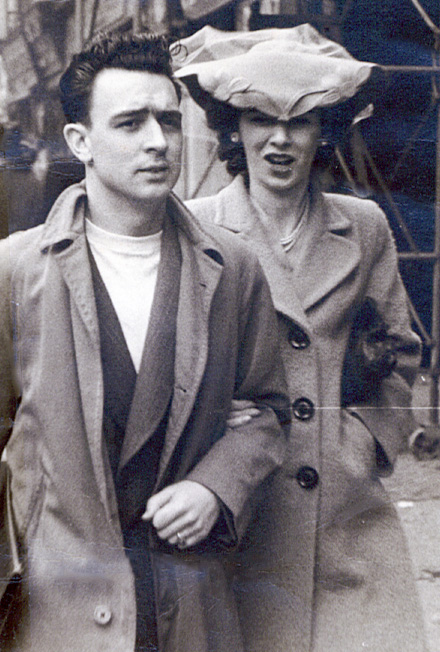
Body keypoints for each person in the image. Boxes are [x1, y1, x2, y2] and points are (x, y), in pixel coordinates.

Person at [0, 33, 290, 652]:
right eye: (130, 123)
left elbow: (266, 412)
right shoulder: (17, 272)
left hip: (188, 602)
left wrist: (215, 485)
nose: (158, 142)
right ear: (80, 143)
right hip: (59, 610)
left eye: (169, 121)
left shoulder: (232, 267)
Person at [177, 24, 427, 652]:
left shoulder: (364, 226)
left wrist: (364, 442)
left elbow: (398, 348)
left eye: (303, 121)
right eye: (260, 118)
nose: (280, 139)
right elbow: (170, 358)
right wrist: (212, 419)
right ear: (233, 128)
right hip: (239, 517)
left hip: (349, 522)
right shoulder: (195, 227)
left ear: (326, 131)